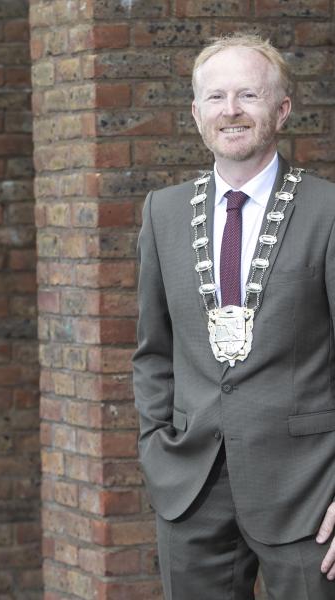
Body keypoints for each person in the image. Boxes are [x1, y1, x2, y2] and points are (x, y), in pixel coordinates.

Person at [133, 33, 335, 599]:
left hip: (309, 491)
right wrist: (155, 445)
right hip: (190, 490)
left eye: (249, 94)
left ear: (282, 109)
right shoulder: (163, 213)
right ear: (196, 113)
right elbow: (152, 351)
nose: (232, 111)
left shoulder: (328, 212)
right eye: (216, 97)